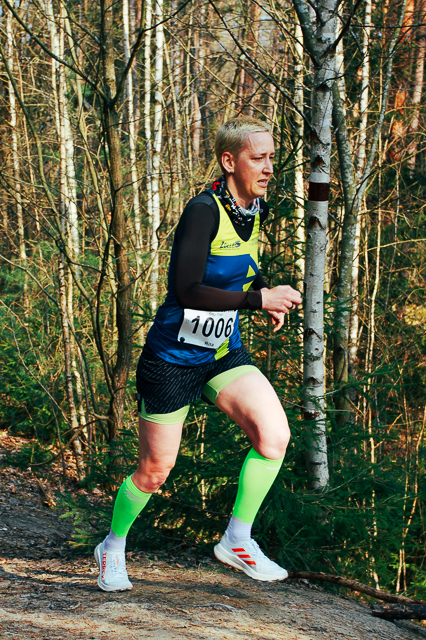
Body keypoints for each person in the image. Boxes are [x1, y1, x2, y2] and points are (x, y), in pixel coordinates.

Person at [94, 117, 303, 592]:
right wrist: (257, 300)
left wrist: (263, 291)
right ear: (229, 161)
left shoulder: (254, 208)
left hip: (222, 353)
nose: (269, 168)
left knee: (274, 436)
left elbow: (238, 265)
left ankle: (237, 539)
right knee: (154, 472)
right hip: (172, 360)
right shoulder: (202, 210)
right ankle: (112, 547)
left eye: (271, 157)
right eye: (258, 158)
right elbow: (187, 289)